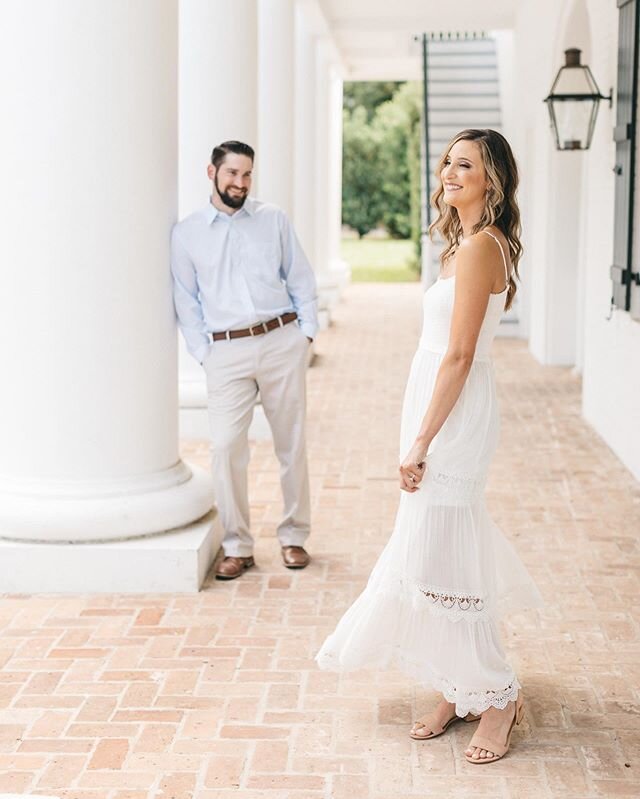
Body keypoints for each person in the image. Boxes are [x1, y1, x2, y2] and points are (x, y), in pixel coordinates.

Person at [316, 129, 543, 763]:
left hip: (453, 413)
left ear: (491, 180)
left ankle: (496, 695)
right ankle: (455, 682)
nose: (449, 171)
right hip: (435, 402)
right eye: (447, 161)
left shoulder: (479, 250)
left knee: (444, 545)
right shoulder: (461, 244)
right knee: (433, 549)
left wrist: (421, 439)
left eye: (464, 164)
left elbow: (462, 354)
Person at [171, 140, 318, 580]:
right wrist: (204, 354)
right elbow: (186, 299)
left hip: (280, 340)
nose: (240, 182)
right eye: (232, 173)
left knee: (290, 443)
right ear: (211, 172)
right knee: (224, 447)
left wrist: (305, 335)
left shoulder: (272, 219)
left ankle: (294, 537)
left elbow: (300, 276)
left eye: (247, 174)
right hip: (225, 352)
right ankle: (238, 545)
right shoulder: (188, 232)